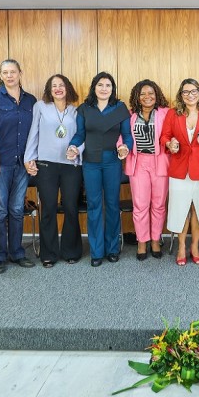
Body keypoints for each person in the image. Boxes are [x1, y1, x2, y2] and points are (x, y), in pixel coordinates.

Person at [0, 59, 37, 274]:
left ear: (20, 73)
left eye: (13, 72)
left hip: (22, 163)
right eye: (5, 72)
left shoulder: (31, 100)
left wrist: (33, 158)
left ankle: (17, 253)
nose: (9, 75)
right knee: (0, 210)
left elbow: (35, 132)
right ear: (1, 75)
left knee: (17, 209)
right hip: (0, 163)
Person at [68, 72, 132, 267]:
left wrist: (124, 147)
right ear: (94, 87)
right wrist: (72, 146)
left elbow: (127, 135)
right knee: (94, 205)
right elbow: (79, 135)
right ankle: (96, 251)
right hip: (90, 162)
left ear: (113, 89)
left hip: (112, 161)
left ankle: (112, 248)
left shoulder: (120, 108)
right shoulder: (84, 109)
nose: (104, 89)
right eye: (100, 85)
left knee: (112, 205)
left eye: (108, 85)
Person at [24, 74, 83, 267]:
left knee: (71, 208)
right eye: (54, 86)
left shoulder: (76, 111)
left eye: (61, 85)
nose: (58, 88)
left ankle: (71, 250)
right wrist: (29, 158)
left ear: (68, 88)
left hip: (70, 166)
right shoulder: (40, 107)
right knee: (48, 208)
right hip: (46, 165)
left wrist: (78, 150)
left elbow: (82, 136)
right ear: (49, 90)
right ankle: (48, 253)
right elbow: (34, 133)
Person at [161, 78, 199, 266]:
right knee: (181, 210)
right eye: (185, 92)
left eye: (193, 91)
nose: (190, 95)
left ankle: (195, 246)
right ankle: (181, 247)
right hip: (179, 168)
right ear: (181, 95)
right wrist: (170, 144)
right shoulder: (172, 113)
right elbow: (165, 136)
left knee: (198, 209)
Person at [124, 79, 170, 261]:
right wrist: (121, 146)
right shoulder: (129, 115)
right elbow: (123, 136)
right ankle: (142, 241)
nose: (147, 97)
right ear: (137, 96)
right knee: (140, 206)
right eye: (142, 93)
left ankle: (156, 240)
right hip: (138, 163)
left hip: (160, 162)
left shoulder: (166, 113)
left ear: (156, 95)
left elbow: (172, 133)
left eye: (150, 93)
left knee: (158, 205)